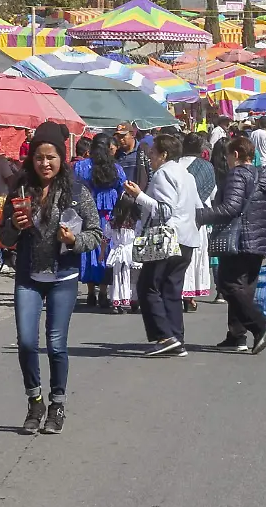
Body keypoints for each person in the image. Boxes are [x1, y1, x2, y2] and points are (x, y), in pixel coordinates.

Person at [0, 122, 102, 435]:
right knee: (27, 342)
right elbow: (3, 236)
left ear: (62, 158)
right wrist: (14, 227)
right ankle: (35, 401)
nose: (45, 163)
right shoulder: (19, 190)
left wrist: (74, 241)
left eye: (51, 157)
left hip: (63, 275)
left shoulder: (76, 192)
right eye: (39, 157)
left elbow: (96, 234)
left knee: (56, 345)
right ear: (31, 158)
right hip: (28, 276)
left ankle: (57, 404)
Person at [195, 136, 266, 355]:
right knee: (245, 287)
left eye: (229, 156)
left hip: (240, 238)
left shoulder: (238, 174)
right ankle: (236, 335)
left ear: (236, 155)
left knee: (228, 284)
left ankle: (260, 326)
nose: (228, 160)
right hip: (260, 238)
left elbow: (231, 207)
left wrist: (200, 216)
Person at [122, 134, 203, 357]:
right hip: (187, 238)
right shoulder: (186, 175)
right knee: (171, 289)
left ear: (163, 154)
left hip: (168, 238)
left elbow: (164, 210)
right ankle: (176, 338)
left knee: (148, 286)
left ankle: (165, 336)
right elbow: (197, 205)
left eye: (153, 152)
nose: (150, 156)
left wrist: (138, 195)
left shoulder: (163, 174)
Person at [74, 133, 126, 310]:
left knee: (89, 250)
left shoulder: (81, 167)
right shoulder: (117, 169)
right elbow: (122, 190)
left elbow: (74, 186)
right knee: (106, 251)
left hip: (87, 214)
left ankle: (90, 293)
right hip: (109, 216)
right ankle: (103, 291)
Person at [180, 133, 216, 312]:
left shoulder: (174, 165)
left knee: (177, 257)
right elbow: (212, 194)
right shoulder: (207, 167)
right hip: (198, 218)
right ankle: (190, 296)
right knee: (194, 257)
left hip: (177, 218)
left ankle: (178, 292)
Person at [115, 123, 150, 192]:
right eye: (118, 137)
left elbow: (150, 173)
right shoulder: (116, 154)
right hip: (123, 196)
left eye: (123, 136)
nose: (120, 139)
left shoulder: (143, 151)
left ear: (132, 135)